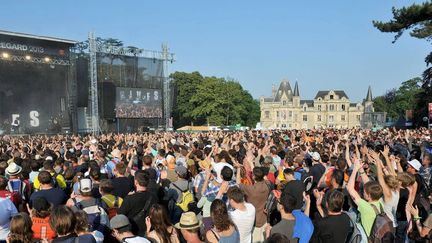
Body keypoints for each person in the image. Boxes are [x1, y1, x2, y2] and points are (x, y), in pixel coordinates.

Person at [347, 158, 384, 237]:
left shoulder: (366, 207)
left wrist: (355, 169)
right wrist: (361, 170)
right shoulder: (381, 202)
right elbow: (369, 184)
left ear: (369, 196)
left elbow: (350, 189)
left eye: (364, 192)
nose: (362, 193)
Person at [119, 172, 158, 237]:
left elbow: (120, 216)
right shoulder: (154, 197)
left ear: (136, 182)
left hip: (132, 232)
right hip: (149, 230)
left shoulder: (129, 198)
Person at [237, 166, 269, 243]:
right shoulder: (267, 185)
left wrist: (238, 170)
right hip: (264, 218)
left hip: (255, 220)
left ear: (254, 177)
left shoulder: (251, 189)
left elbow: (238, 183)